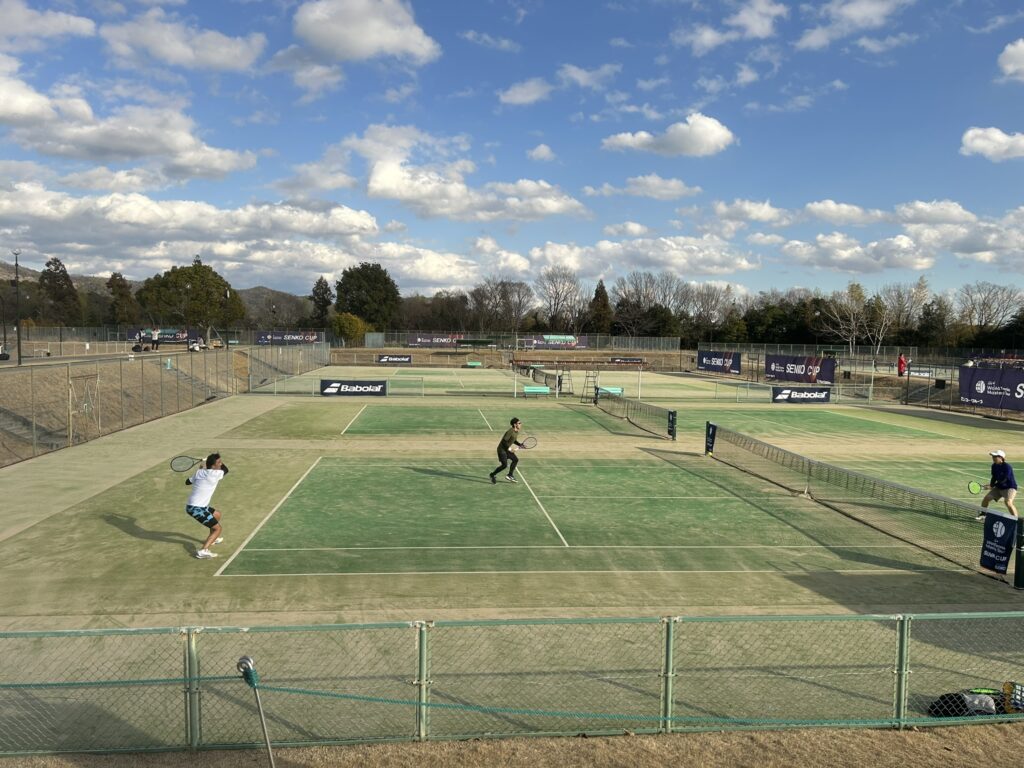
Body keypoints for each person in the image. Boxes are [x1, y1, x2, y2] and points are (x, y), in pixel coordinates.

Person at [185, 453, 229, 558]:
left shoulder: (199, 472)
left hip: (198, 506)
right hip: (196, 508)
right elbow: (226, 470)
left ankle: (212, 539)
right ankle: (203, 551)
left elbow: (187, 482)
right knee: (218, 529)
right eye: (219, 462)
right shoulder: (215, 474)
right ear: (213, 466)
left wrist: (200, 470)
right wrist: (204, 467)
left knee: (217, 514)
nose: (221, 464)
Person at [976, 449, 1018, 521]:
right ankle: (983, 514)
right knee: (987, 498)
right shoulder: (994, 466)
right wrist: (991, 485)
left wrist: (994, 486)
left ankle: (1016, 520)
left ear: (1001, 458)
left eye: (995, 456)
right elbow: (994, 477)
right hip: (999, 487)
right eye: (993, 456)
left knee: (1008, 502)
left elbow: (1005, 479)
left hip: (1010, 487)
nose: (993, 458)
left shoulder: (1007, 467)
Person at [489, 417, 524, 484]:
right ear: (515, 424)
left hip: (506, 449)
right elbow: (504, 441)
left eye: (520, 423)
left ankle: (510, 475)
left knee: (515, 460)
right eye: (519, 423)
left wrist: (520, 444)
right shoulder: (510, 431)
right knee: (504, 465)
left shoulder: (516, 432)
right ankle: (492, 475)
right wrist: (510, 449)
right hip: (502, 450)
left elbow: (513, 440)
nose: (520, 424)